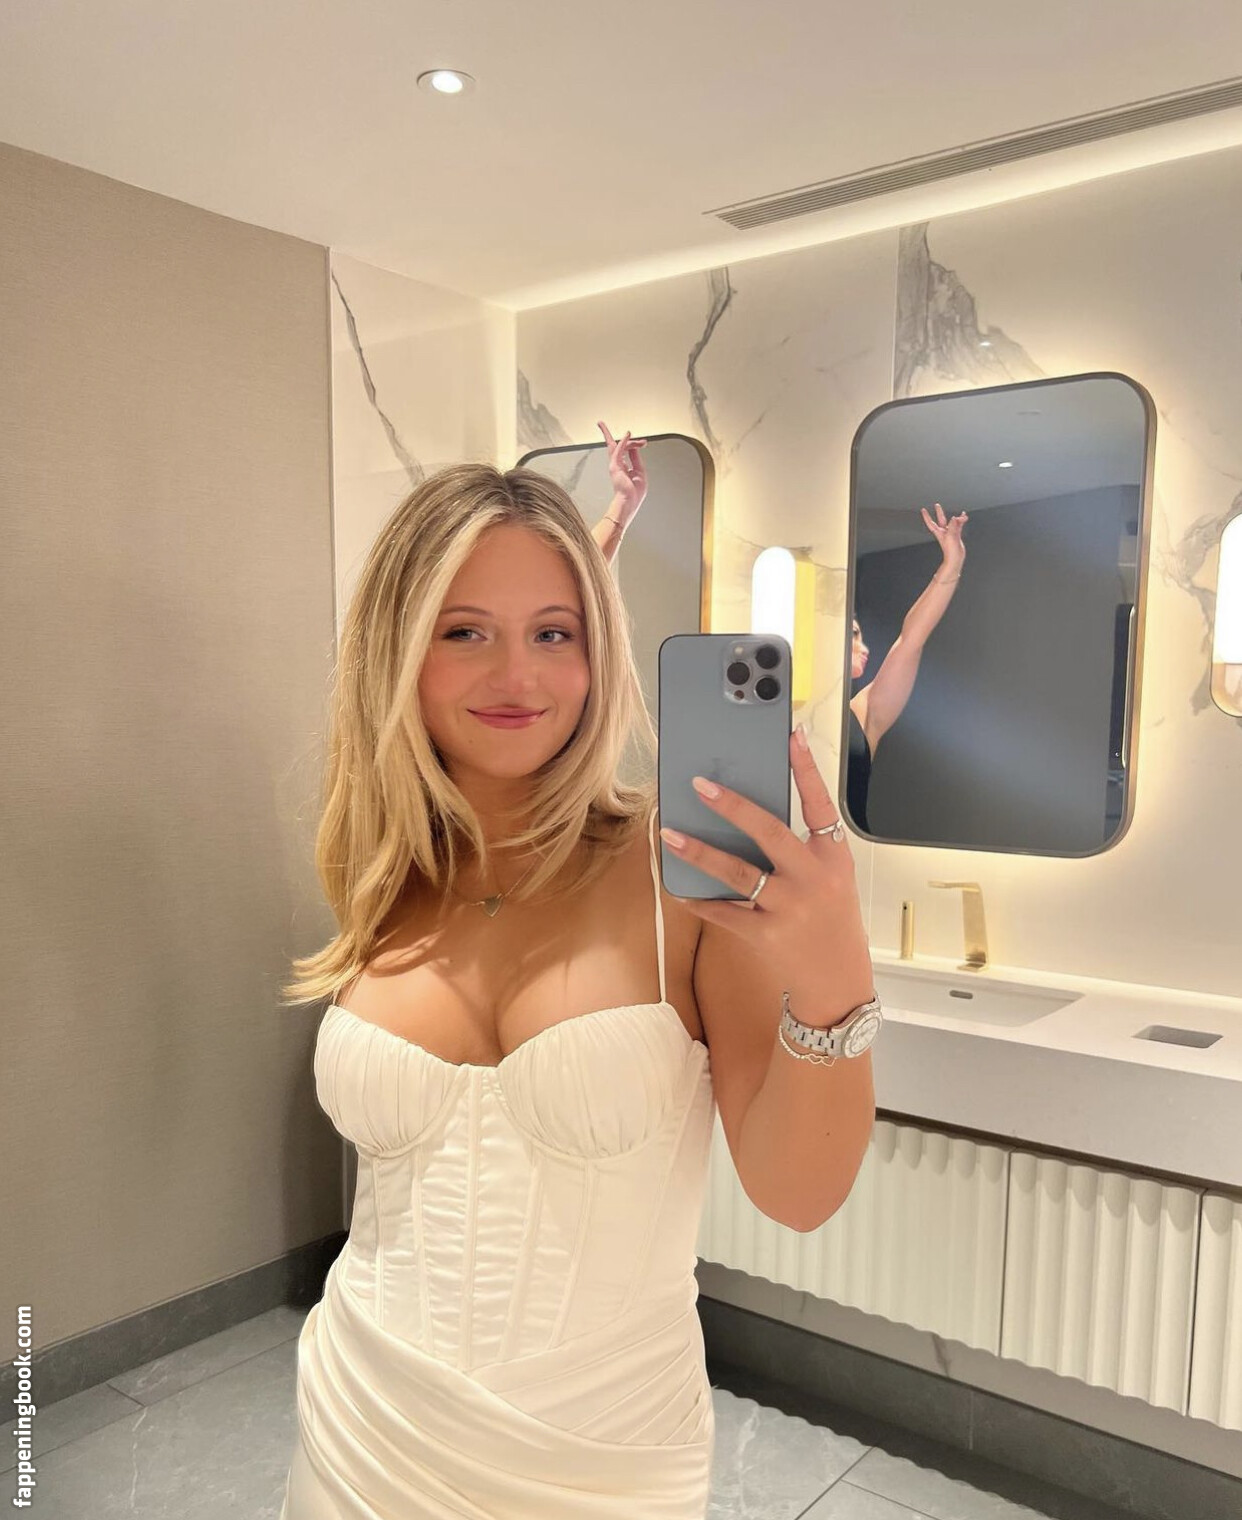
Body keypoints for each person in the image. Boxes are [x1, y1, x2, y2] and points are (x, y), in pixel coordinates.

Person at [277, 424, 875, 1518]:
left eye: (554, 631)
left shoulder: (678, 881)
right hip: (359, 1427)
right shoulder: (387, 870)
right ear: (396, 651)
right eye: (465, 630)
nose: (517, 674)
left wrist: (835, 977)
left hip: (599, 1460)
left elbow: (798, 1195)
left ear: (599, 651)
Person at [847, 502, 968, 832]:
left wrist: (951, 564)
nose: (864, 648)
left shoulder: (864, 712)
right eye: (854, 635)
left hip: (851, 853)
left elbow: (911, 639)